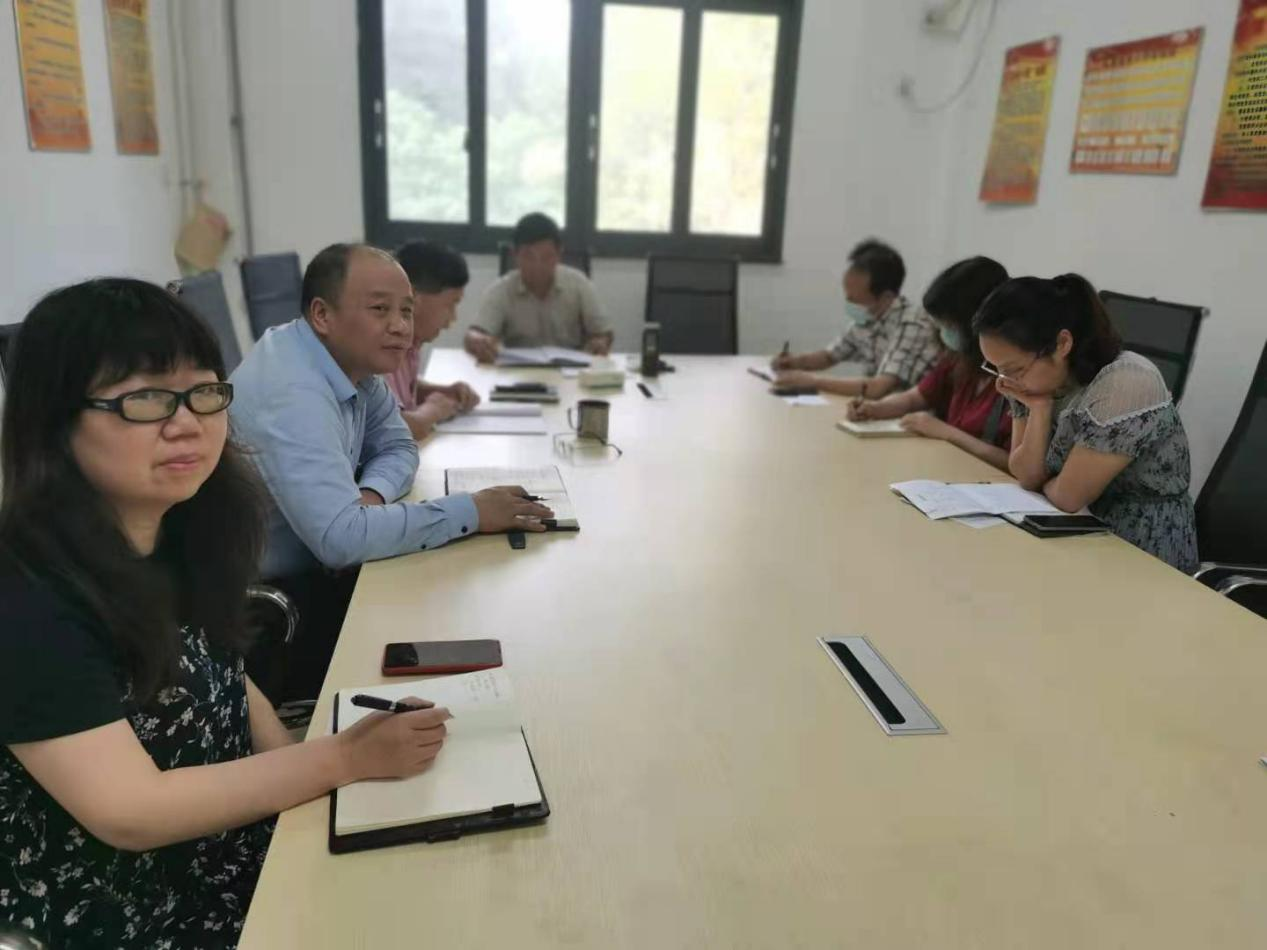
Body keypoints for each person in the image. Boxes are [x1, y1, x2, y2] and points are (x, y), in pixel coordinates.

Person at [0, 278, 452, 947]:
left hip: (232, 846)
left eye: (203, 392)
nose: (187, 422)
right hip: (128, 907)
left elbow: (229, 677)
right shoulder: (27, 596)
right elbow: (131, 811)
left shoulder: (176, 528)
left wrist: (310, 772)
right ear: (53, 422)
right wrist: (341, 761)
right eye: (145, 398)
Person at [230, 244, 552, 698]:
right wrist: (474, 512)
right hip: (272, 610)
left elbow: (399, 445)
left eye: (407, 310)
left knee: (474, 597)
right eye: (380, 309)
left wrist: (371, 497)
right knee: (464, 614)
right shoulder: (292, 391)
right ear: (322, 314)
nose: (401, 327)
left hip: (322, 567)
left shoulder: (350, 363)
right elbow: (342, 541)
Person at [974, 273, 1198, 572]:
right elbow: (1027, 476)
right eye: (998, 369)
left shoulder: (1126, 382)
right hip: (1069, 529)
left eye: (1014, 369)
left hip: (1138, 547)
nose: (1006, 380)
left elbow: (1068, 497)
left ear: (1062, 343)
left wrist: (1052, 483)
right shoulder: (1035, 385)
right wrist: (1039, 410)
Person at [846, 257, 1013, 470]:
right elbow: (915, 397)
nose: (943, 332)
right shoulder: (959, 360)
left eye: (949, 325)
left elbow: (1015, 465)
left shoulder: (1017, 378)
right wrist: (875, 408)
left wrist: (945, 432)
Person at [771, 238, 942, 398]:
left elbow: (878, 388)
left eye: (855, 299)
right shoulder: (869, 316)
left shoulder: (912, 325)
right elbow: (830, 356)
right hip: (879, 408)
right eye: (848, 296)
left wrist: (813, 381)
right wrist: (795, 362)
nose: (849, 303)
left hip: (911, 414)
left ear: (886, 297)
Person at [464, 212, 613, 361]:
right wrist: (477, 340)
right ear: (515, 255)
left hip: (571, 369)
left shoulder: (578, 283)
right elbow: (475, 332)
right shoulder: (501, 289)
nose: (538, 265)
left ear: (559, 254)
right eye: (529, 257)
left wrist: (600, 342)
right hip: (518, 370)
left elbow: (603, 332)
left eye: (546, 257)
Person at [386, 239, 481, 439]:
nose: (452, 319)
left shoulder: (411, 344)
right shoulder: (383, 344)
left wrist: (443, 392)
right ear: (413, 298)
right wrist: (433, 410)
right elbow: (393, 429)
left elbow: (401, 394)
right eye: (451, 304)